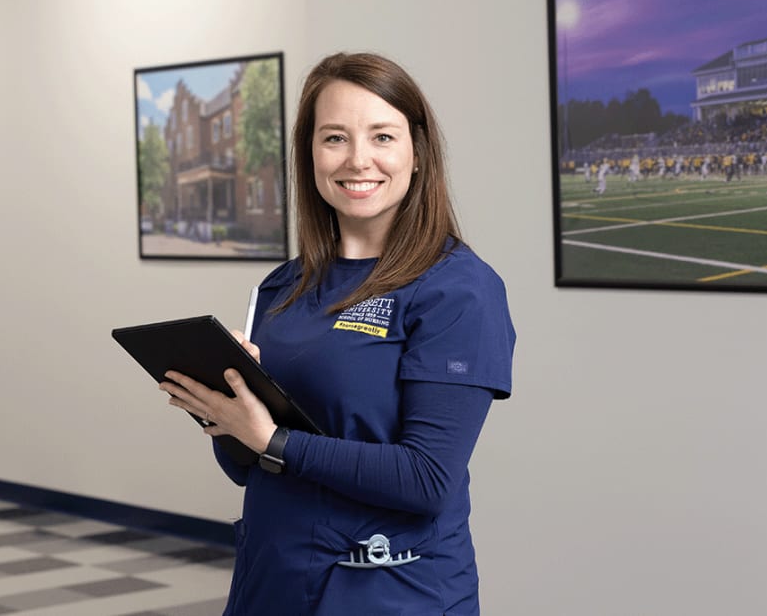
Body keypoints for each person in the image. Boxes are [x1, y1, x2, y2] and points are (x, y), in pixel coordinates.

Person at [158, 52, 515, 615]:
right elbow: (243, 468)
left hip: (390, 592)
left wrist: (272, 439)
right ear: (310, 155)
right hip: (271, 580)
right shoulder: (283, 287)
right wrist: (222, 410)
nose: (358, 160)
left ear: (417, 153)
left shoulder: (458, 291)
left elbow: (427, 480)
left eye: (382, 136)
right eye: (334, 138)